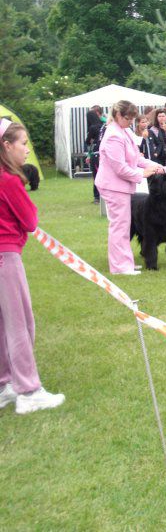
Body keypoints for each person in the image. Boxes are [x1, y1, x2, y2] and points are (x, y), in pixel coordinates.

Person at [0, 120, 66, 414]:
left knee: (4, 324)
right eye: (23, 143)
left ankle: (6, 384)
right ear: (7, 145)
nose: (27, 150)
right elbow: (29, 221)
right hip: (6, 257)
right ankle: (28, 391)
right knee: (20, 324)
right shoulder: (9, 180)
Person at [95, 100, 164, 275]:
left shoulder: (123, 131)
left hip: (121, 186)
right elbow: (120, 168)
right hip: (113, 186)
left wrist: (154, 165)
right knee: (119, 226)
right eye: (128, 118)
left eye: (133, 118)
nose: (131, 122)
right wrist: (143, 174)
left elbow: (136, 158)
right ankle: (120, 267)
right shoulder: (113, 136)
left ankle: (126, 262)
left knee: (124, 226)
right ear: (118, 115)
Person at [86, 105, 104, 204]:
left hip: (96, 154)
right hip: (104, 154)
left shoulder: (92, 127)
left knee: (96, 175)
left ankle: (97, 197)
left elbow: (88, 141)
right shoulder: (104, 124)